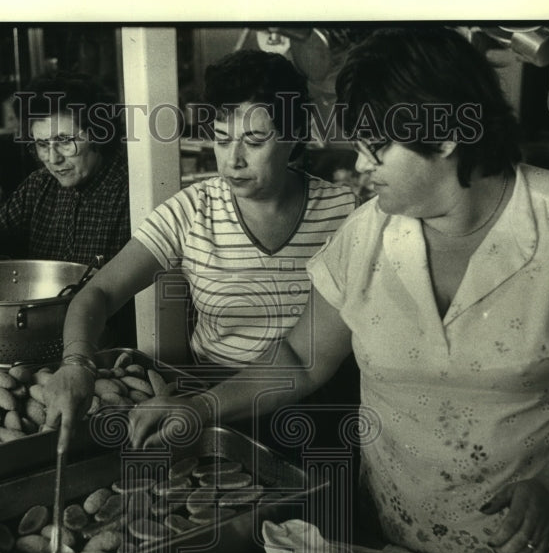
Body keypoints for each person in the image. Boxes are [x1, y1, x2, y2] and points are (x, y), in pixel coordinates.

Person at [127, 27, 549, 553]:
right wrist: (199, 407)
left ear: (442, 136)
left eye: (376, 147)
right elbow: (302, 359)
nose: (361, 166)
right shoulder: (367, 235)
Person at [45, 49, 358, 452]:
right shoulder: (193, 210)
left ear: (295, 136)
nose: (234, 160)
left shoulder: (344, 213)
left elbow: (305, 358)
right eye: (222, 139)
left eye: (255, 141)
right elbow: (98, 293)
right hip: (212, 407)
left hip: (322, 412)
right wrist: (77, 363)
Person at [0, 72, 130, 266]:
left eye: (65, 141)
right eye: (42, 144)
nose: (53, 159)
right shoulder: (40, 185)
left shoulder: (130, 193)